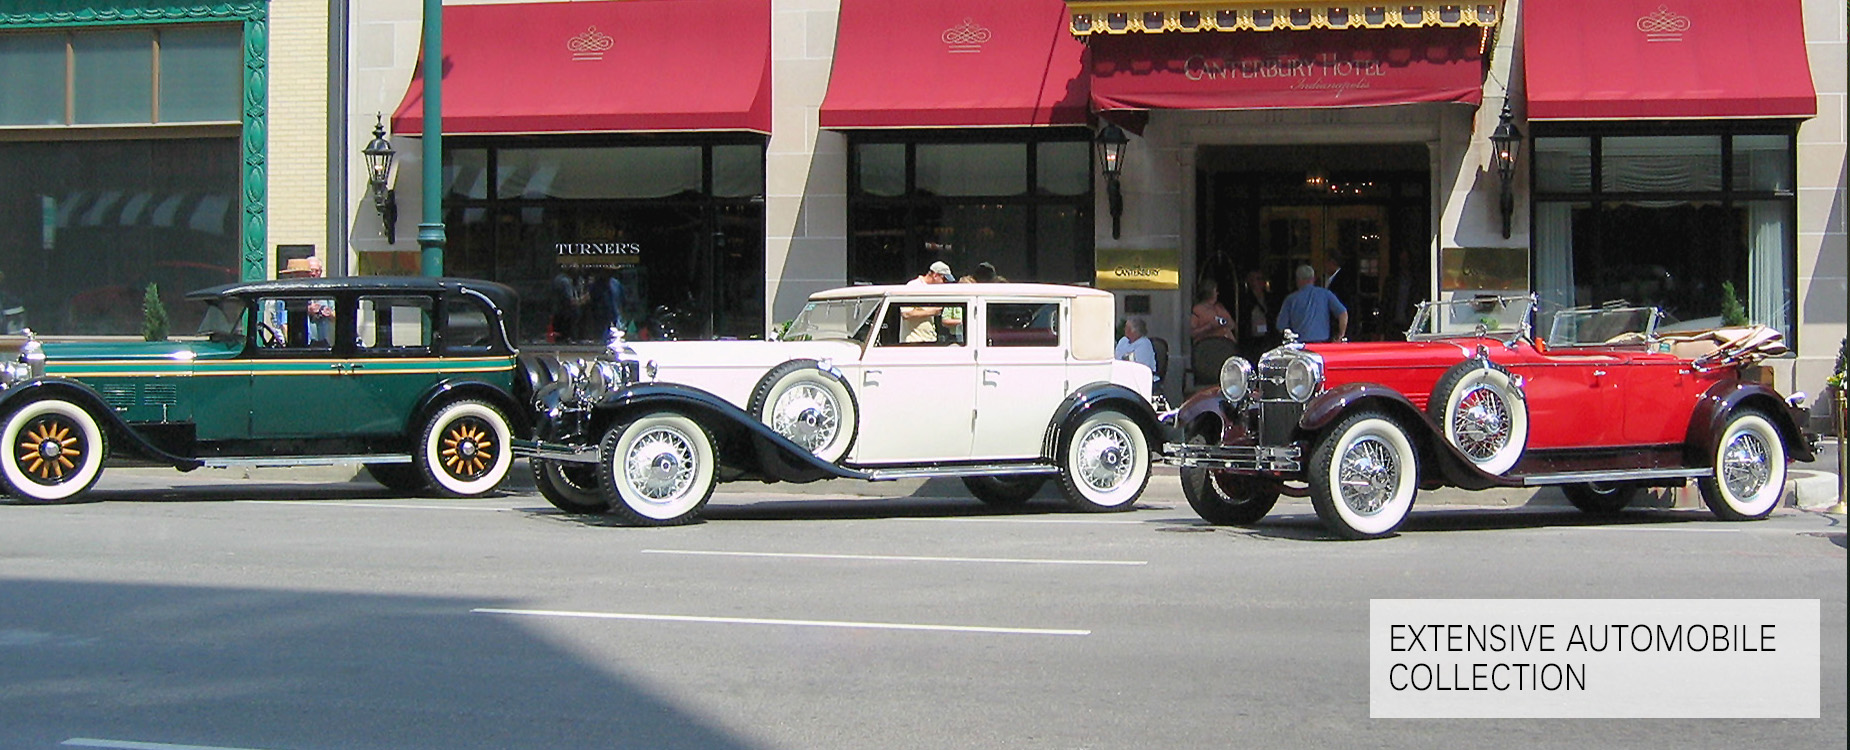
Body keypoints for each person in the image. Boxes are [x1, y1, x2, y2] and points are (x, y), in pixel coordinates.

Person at [1277, 263, 1348, 343]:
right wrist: (1341, 334)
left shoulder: (1290, 299)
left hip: (1300, 346)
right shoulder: (1326, 294)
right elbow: (1343, 313)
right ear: (1313, 278)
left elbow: (1281, 326)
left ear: (1298, 280)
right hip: (1322, 344)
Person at [901, 260, 956, 343]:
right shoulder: (913, 286)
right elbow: (906, 313)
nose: (945, 284)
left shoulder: (932, 290)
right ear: (935, 275)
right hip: (914, 341)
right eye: (944, 280)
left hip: (930, 339)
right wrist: (933, 311)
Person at [1238, 268, 1273, 362]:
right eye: (1257, 279)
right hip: (1251, 336)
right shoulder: (1245, 298)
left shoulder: (1269, 297)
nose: (1260, 282)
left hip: (1267, 335)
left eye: (1261, 279)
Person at [1189, 278, 1237, 344]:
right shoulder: (1197, 310)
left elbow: (1232, 325)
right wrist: (1209, 326)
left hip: (1224, 343)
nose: (1217, 293)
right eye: (1215, 291)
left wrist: (1224, 323)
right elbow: (1192, 333)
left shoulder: (1220, 307)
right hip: (1207, 344)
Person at [1115, 317, 1158, 385]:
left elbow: (1141, 366)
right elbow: (1116, 357)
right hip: (1122, 376)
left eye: (1127, 328)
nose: (1124, 330)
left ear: (1134, 331)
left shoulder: (1144, 343)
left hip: (1140, 379)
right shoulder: (1123, 340)